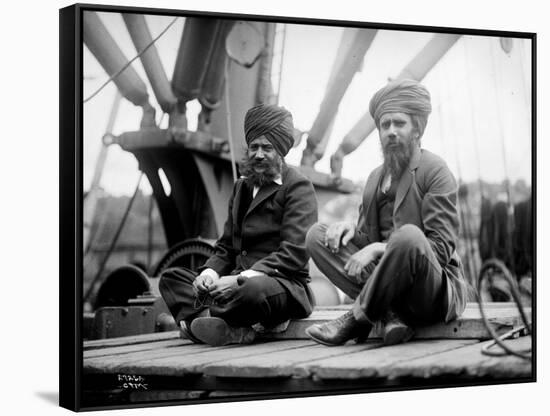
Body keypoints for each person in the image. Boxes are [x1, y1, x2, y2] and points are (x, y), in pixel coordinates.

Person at [305, 79, 468, 346]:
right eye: (384, 125)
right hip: (388, 281)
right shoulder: (373, 179)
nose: (391, 131)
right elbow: (365, 242)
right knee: (317, 235)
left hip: (428, 289)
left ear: (417, 129)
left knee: (408, 236)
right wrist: (349, 230)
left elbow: (439, 249)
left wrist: (381, 248)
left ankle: (356, 320)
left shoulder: (435, 170)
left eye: (399, 123)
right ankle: (390, 313)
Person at [159, 104, 318, 346]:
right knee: (172, 278)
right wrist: (209, 274)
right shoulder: (241, 187)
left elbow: (293, 254)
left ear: (282, 150)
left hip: (280, 285)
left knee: (251, 291)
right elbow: (225, 247)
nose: (259, 154)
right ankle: (224, 325)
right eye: (254, 147)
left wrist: (239, 280)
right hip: (234, 281)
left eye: (267, 147)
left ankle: (200, 321)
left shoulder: (298, 187)